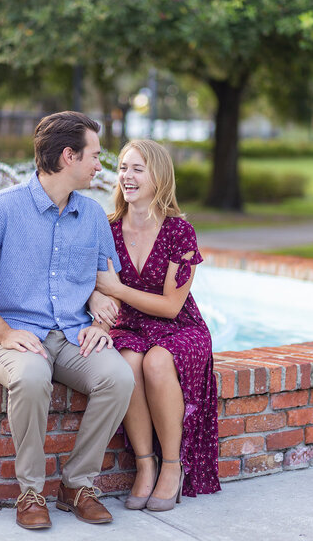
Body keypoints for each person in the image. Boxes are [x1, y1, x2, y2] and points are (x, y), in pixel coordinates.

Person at [0, 111, 134, 529]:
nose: (100, 166)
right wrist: (3, 331)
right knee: (32, 377)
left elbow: (109, 289)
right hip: (12, 337)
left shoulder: (93, 216)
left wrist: (100, 323)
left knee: (118, 378)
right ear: (69, 156)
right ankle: (30, 492)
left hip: (70, 336)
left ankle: (76, 484)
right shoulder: (3, 209)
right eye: (94, 156)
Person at [92, 139, 220, 512]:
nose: (126, 177)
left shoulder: (180, 232)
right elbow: (96, 288)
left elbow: (169, 305)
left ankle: (172, 466)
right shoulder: (108, 228)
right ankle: (145, 465)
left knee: (157, 362)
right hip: (129, 326)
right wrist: (100, 305)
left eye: (137, 169)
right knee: (128, 362)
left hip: (179, 327)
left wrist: (116, 288)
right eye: (122, 168)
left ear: (158, 176)